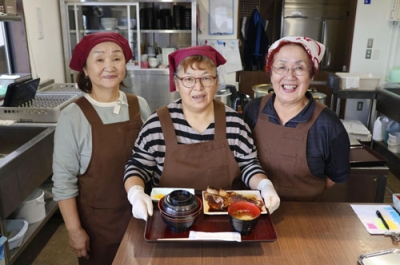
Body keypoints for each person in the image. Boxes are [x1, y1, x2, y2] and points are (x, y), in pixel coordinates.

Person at [123, 45, 280, 221]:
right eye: (188, 79)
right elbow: (137, 167)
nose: (198, 87)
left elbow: (248, 165)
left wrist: (265, 186)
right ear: (176, 83)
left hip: (223, 219)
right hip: (169, 218)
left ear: (216, 81)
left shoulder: (234, 123)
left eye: (206, 78)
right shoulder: (156, 125)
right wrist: (135, 194)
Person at [52, 32, 151, 265]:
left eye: (117, 58)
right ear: (85, 70)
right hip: (99, 227)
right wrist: (74, 230)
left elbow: (155, 157)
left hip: (143, 216)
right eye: (99, 60)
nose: (110, 66)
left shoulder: (140, 105)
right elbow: (63, 180)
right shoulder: (73, 116)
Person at [243, 36, 350, 201]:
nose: (290, 76)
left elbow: (335, 175)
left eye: (299, 68)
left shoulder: (328, 124)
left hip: (306, 213)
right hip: (254, 210)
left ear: (311, 76)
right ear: (271, 73)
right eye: (281, 67)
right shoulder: (253, 110)